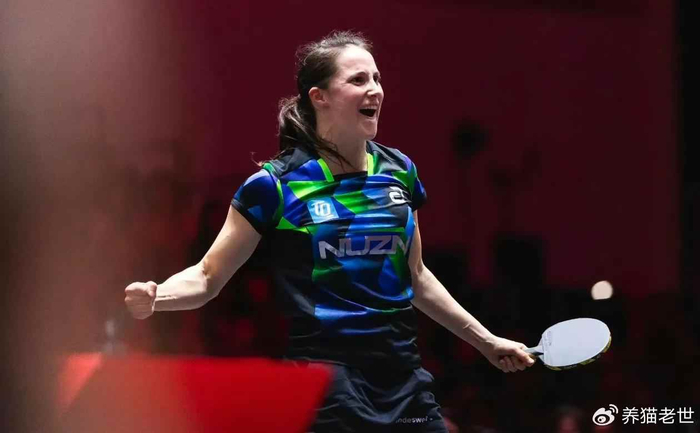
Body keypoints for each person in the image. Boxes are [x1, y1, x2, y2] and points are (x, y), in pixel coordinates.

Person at [124, 30, 534, 432]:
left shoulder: (399, 172)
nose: (375, 90)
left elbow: (416, 276)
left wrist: (488, 342)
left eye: (376, 78)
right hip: (327, 384)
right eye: (358, 80)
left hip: (403, 379)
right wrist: (158, 297)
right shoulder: (276, 185)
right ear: (319, 97)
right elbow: (207, 276)